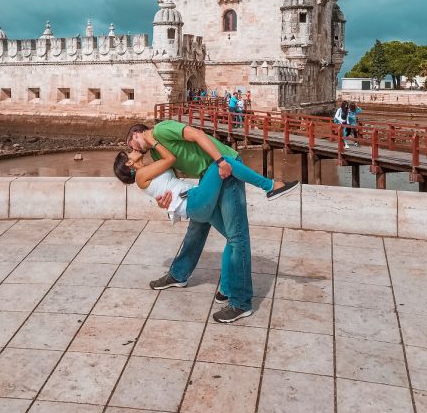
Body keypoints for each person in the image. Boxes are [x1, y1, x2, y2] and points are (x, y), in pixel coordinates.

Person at [126, 120, 298, 323]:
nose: (132, 149)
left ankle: (241, 302)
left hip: (223, 167)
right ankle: (196, 279)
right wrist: (165, 202)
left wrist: (220, 161)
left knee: (236, 236)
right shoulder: (156, 153)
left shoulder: (162, 129)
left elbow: (198, 135)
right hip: (207, 177)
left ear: (138, 133)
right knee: (198, 230)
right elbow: (171, 183)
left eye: (131, 143)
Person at [114, 140, 279, 225]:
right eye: (129, 154)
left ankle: (232, 283)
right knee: (220, 161)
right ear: (129, 163)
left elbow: (171, 176)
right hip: (194, 201)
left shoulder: (146, 171)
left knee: (233, 238)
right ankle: (269, 186)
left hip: (194, 203)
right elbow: (170, 158)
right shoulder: (141, 175)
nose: (133, 150)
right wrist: (153, 142)